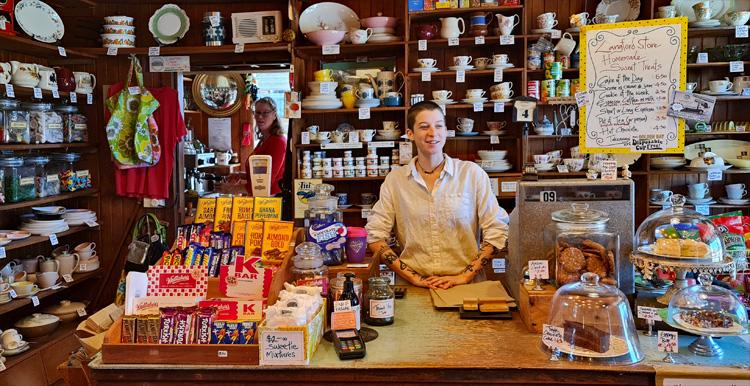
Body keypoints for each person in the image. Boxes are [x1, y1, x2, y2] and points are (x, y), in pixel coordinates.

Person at [365, 101, 509, 289]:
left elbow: (497, 230)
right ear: (410, 134)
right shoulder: (395, 180)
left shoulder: (471, 174)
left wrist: (464, 277)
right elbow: (375, 236)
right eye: (424, 127)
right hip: (413, 287)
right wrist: (413, 277)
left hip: (466, 286)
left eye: (439, 126)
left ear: (446, 131)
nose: (433, 133)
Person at [246, 97, 286, 196]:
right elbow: (259, 175)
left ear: (274, 115)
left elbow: (266, 181)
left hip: (272, 198)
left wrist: (231, 189)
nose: (260, 117)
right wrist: (240, 176)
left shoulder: (278, 142)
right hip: (262, 196)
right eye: (258, 112)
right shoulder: (264, 140)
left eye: (265, 113)